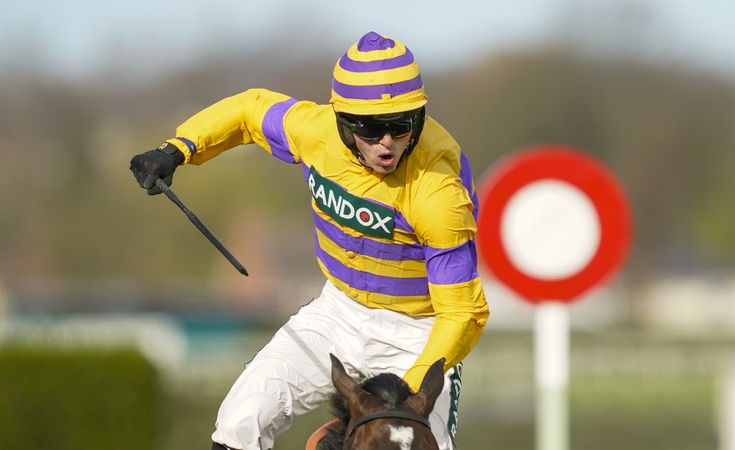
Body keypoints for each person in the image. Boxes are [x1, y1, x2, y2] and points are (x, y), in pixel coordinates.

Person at [129, 31, 489, 450]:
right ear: (342, 123)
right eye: (370, 129)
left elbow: (462, 312)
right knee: (240, 419)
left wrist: (410, 395)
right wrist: (177, 149)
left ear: (419, 119)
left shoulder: (437, 194)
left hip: (419, 332)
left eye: (400, 126)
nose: (386, 143)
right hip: (337, 312)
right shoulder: (314, 131)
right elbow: (249, 111)